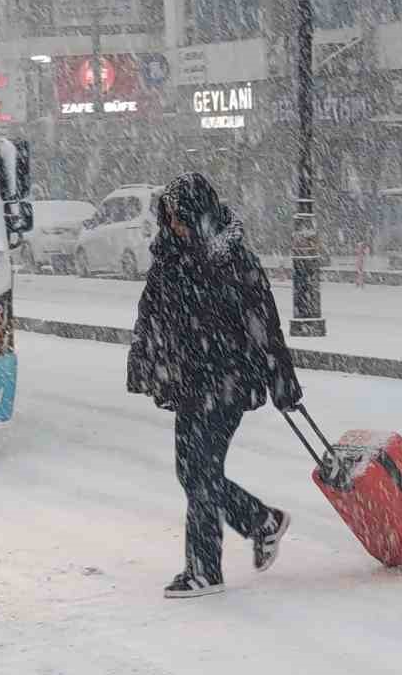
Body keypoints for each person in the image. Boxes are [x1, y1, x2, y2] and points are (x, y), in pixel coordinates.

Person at [126, 172, 303, 599]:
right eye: (169, 217)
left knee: (202, 474)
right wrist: (144, 364)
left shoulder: (232, 260)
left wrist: (282, 379)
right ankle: (262, 521)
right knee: (191, 472)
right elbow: (151, 317)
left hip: (228, 380)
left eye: (180, 216)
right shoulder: (169, 256)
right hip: (189, 382)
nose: (175, 225)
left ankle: (204, 570)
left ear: (197, 213)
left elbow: (264, 324)